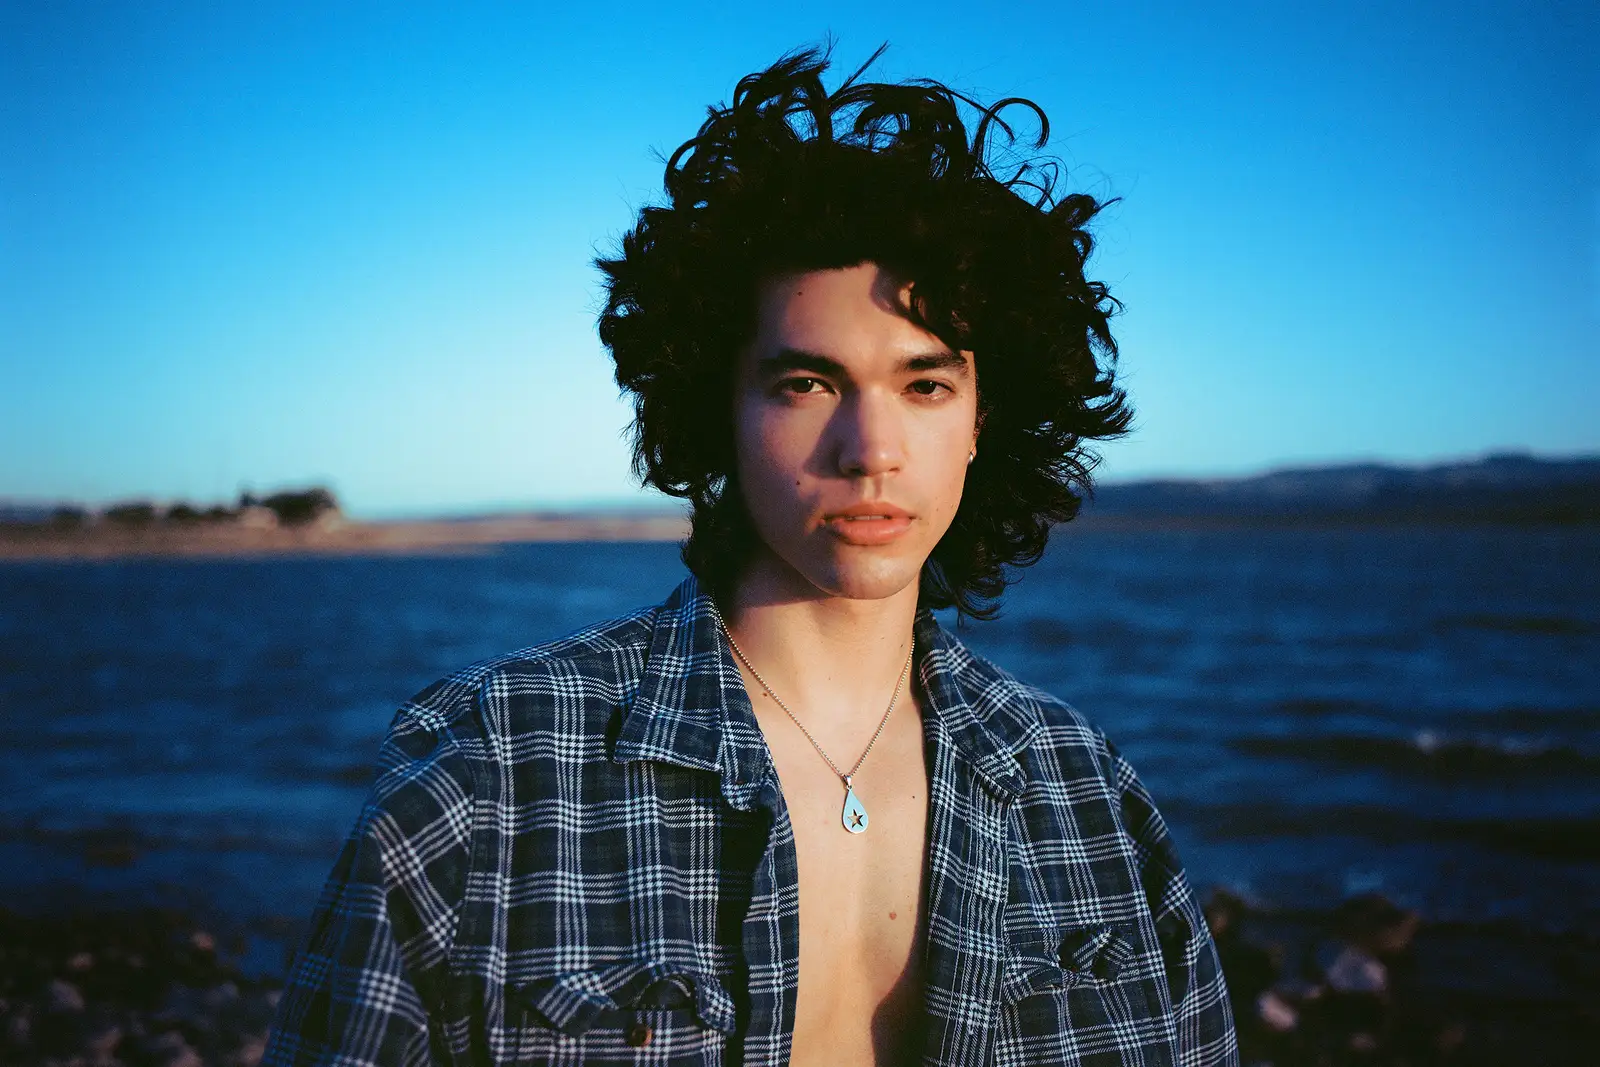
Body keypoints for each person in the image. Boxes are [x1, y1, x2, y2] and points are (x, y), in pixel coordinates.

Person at [263, 46, 1237, 1067]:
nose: (869, 450)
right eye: (806, 384)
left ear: (982, 420)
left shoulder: (1084, 786)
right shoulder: (494, 768)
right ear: (718, 408)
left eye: (925, 385)